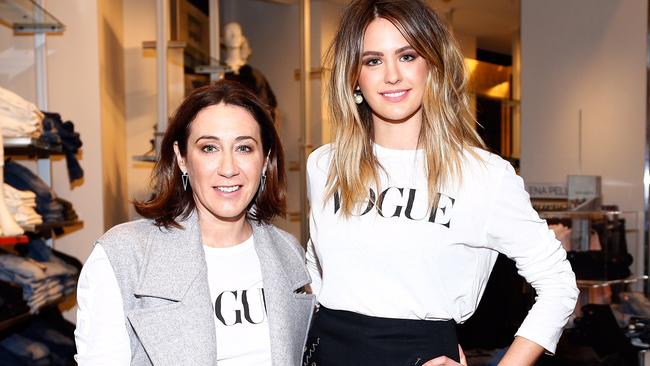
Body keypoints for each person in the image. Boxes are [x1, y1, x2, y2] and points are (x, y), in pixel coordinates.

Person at [304, 1, 579, 365]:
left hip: (421, 353)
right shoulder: (324, 164)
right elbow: (318, 268)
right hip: (328, 352)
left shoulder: (483, 175)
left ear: (432, 65)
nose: (392, 75)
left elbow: (558, 283)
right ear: (354, 77)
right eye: (373, 60)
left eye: (407, 56)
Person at [74, 80, 316, 365]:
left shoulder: (288, 253)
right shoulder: (123, 256)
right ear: (182, 158)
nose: (228, 169)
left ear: (265, 160)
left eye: (244, 148)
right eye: (209, 148)